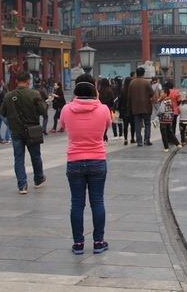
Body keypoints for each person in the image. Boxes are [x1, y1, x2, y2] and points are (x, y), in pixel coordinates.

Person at [58, 73, 111, 255]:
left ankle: (78, 243)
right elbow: (107, 126)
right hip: (97, 159)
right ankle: (98, 241)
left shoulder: (66, 109)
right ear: (94, 89)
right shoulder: (103, 109)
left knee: (77, 203)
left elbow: (62, 126)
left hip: (74, 160)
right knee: (97, 201)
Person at [1, 71, 47, 194]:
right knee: (35, 156)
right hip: (32, 130)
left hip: (16, 131)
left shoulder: (8, 96)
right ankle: (38, 179)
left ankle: (22, 185)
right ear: (28, 81)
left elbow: (3, 112)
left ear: (16, 81)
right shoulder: (34, 94)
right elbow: (43, 110)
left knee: (19, 158)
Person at [128, 67, 155, 146]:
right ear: (143, 73)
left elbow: (129, 96)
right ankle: (147, 140)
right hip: (146, 106)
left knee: (137, 124)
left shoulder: (132, 83)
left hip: (135, 107)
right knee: (147, 123)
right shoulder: (146, 82)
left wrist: (129, 107)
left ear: (136, 73)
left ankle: (139, 141)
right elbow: (152, 94)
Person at [118, 77, 135, 145]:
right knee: (132, 125)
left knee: (125, 125)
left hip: (124, 110)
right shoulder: (133, 91)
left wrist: (119, 110)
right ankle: (132, 138)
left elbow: (120, 101)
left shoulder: (122, 90)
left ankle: (125, 139)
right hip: (132, 110)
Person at [98, 78, 115, 143]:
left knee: (101, 122)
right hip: (108, 108)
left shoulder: (99, 90)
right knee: (106, 123)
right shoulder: (110, 90)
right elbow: (112, 100)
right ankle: (104, 134)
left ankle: (103, 135)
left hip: (100, 108)